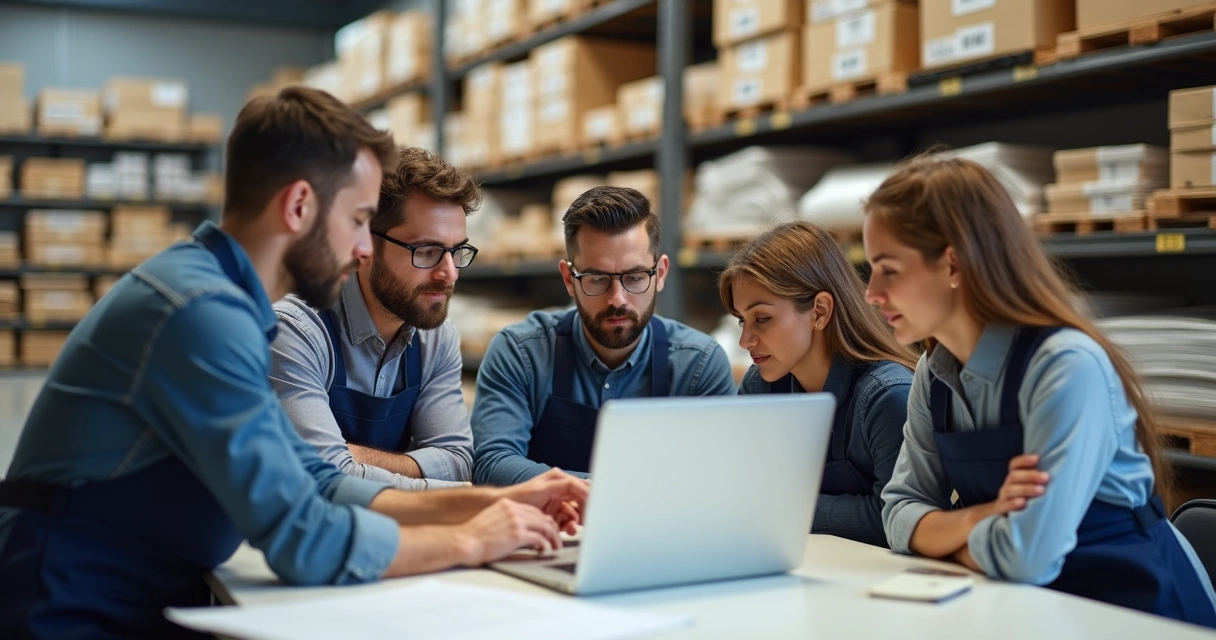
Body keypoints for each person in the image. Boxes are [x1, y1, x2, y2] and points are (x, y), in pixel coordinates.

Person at [0, 87, 586, 640]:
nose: (363, 248)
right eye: (358, 220)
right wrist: (469, 540)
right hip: (74, 606)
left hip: (147, 594)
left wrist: (495, 500)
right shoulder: (200, 312)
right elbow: (302, 538)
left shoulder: (222, 298)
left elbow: (319, 483)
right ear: (301, 206)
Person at [867, 156, 1216, 626]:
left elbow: (1026, 557)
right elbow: (898, 515)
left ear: (953, 262)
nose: (870, 292)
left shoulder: (1065, 366)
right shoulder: (934, 371)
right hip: (1028, 606)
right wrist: (986, 516)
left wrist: (951, 536)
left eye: (888, 269)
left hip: (1137, 608)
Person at [472, 186, 737, 484]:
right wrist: (612, 490)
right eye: (597, 279)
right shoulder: (520, 353)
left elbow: (717, 478)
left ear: (660, 274)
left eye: (635, 278)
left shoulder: (699, 364)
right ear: (569, 280)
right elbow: (492, 465)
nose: (617, 299)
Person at [270, 147, 480, 491]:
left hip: (399, 535)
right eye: (426, 251)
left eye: (457, 252)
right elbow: (323, 478)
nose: (450, 273)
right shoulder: (295, 331)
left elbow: (458, 461)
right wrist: (432, 481)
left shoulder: (436, 336)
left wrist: (357, 458)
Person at [719, 221, 916, 547]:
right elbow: (743, 494)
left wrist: (785, 506)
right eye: (742, 320)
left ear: (820, 311)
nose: (745, 340)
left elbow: (896, 517)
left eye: (762, 318)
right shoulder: (760, 387)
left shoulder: (888, 398)